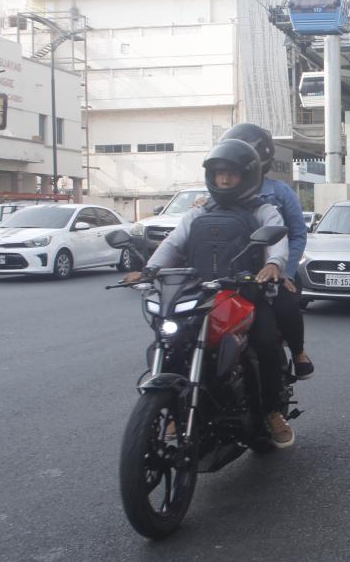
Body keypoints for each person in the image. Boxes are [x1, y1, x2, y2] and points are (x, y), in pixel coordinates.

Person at [123, 139, 296, 448]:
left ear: (247, 176)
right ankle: (174, 405)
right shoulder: (197, 213)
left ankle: (271, 412)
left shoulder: (263, 210)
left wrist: (273, 264)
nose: (224, 180)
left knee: (267, 342)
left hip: (245, 294)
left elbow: (277, 240)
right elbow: (173, 245)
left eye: (231, 174)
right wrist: (149, 270)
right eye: (218, 174)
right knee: (172, 340)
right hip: (199, 295)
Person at [219, 123, 312, 381]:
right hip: (230, 275)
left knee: (283, 308)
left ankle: (299, 354)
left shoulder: (278, 193)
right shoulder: (217, 196)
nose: (226, 178)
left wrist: (283, 271)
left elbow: (295, 234)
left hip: (271, 272)